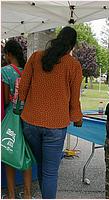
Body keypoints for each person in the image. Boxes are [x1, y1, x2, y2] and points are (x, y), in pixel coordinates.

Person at [18, 26, 83, 199]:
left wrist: (21, 105)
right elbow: (74, 97)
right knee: (50, 172)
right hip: (56, 125)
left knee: (41, 165)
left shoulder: (36, 57)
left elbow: (23, 88)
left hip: (30, 122)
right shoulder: (73, 65)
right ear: (72, 45)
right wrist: (76, 117)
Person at [1, 40, 32, 199]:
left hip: (11, 118)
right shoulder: (27, 70)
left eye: (4, 54)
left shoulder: (4, 71)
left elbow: (5, 99)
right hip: (27, 117)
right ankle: (27, 194)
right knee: (26, 153)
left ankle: (11, 195)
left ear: (9, 54)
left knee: (9, 151)